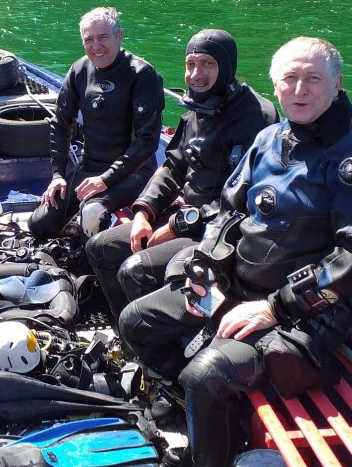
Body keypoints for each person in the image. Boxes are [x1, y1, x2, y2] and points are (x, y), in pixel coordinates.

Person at [119, 37, 352, 467]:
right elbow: (228, 213)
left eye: (312, 79)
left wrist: (274, 307)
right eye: (289, 78)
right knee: (138, 319)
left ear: (338, 85)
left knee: (206, 374)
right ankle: (191, 419)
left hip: (300, 318)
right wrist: (208, 272)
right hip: (236, 287)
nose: (299, 89)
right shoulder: (269, 138)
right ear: (274, 83)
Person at [86, 29, 277, 324]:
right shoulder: (196, 108)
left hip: (219, 233)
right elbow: (172, 166)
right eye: (190, 64)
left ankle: (162, 343)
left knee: (134, 270)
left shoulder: (256, 117)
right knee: (99, 248)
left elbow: (242, 201)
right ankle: (124, 332)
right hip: (186, 216)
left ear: (226, 67)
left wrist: (176, 226)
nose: (196, 74)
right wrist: (143, 211)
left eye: (207, 64)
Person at [27, 7, 165, 239]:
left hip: (133, 173)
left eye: (103, 37)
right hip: (90, 167)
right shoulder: (80, 70)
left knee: (92, 212)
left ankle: (96, 254)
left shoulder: (143, 75)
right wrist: (58, 175)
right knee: (39, 224)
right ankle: (79, 234)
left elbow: (148, 141)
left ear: (119, 36)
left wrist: (106, 179)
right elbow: (61, 124)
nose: (96, 46)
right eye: (88, 40)